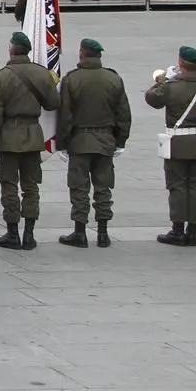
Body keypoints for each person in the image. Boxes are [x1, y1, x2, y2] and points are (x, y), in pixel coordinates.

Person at [0, 31, 60, 251]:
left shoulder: (0, 76)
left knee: (9, 184)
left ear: (11, 49)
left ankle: (12, 233)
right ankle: (29, 234)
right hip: (33, 135)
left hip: (9, 135)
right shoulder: (41, 74)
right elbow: (52, 103)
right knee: (31, 186)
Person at [56, 38, 131, 248]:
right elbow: (123, 113)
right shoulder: (113, 78)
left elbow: (66, 116)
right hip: (106, 140)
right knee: (103, 188)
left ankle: (80, 232)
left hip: (79, 141)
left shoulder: (72, 79)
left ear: (82, 53)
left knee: (79, 188)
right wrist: (120, 140)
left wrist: (61, 143)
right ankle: (103, 233)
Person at [146, 45, 196, 246]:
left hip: (177, 144)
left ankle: (177, 230)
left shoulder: (172, 85)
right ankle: (193, 231)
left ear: (180, 63)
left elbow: (152, 98)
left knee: (177, 186)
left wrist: (165, 80)